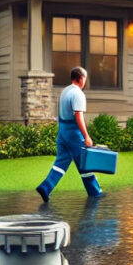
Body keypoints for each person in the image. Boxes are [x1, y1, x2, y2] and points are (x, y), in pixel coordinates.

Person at [36, 67, 103, 202]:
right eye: (85, 78)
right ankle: (95, 192)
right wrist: (86, 136)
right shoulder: (78, 94)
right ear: (81, 78)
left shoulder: (65, 91)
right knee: (85, 163)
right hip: (73, 133)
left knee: (61, 162)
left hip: (62, 132)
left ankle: (46, 187)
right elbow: (78, 116)